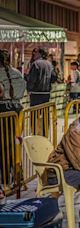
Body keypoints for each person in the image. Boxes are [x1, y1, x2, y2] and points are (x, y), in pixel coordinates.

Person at [0, 49, 26, 186]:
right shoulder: (17, 73)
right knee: (13, 145)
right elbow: (23, 90)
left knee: (3, 147)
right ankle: (16, 175)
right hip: (17, 111)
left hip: (3, 111)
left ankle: (5, 179)